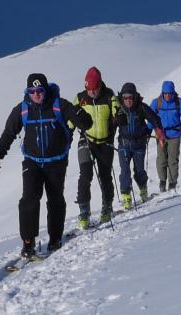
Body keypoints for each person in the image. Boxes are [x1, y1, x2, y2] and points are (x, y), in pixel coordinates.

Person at [0, 73, 93, 259]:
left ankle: (55, 238)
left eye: (39, 90)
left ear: (46, 90)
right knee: (28, 200)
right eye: (32, 91)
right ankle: (28, 243)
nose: (36, 94)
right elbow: (9, 133)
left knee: (55, 200)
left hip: (57, 161)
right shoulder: (22, 109)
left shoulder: (60, 105)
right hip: (32, 161)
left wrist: (81, 117)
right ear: (28, 91)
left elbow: (86, 123)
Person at [70, 67, 120, 229]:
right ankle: (84, 212)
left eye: (94, 89)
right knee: (85, 174)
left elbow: (117, 110)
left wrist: (119, 117)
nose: (91, 92)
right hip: (86, 140)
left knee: (105, 175)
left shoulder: (109, 96)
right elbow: (70, 115)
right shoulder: (80, 98)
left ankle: (107, 206)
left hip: (105, 142)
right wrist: (68, 128)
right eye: (88, 89)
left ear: (100, 86)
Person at [112, 82, 159, 210]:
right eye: (125, 97)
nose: (128, 100)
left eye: (130, 97)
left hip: (139, 145)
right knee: (125, 171)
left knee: (139, 170)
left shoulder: (141, 107)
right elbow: (111, 126)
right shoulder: (118, 109)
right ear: (122, 97)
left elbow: (154, 119)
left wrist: (158, 133)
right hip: (124, 144)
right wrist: (115, 121)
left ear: (135, 97)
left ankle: (143, 188)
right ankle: (126, 196)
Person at [150, 80, 181, 192]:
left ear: (173, 92)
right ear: (162, 92)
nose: (168, 95)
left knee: (173, 160)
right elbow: (151, 117)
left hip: (174, 134)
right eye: (165, 93)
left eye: (170, 93)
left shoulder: (179, 102)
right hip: (161, 134)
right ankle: (162, 182)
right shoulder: (157, 103)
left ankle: (172, 183)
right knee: (161, 159)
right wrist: (147, 129)